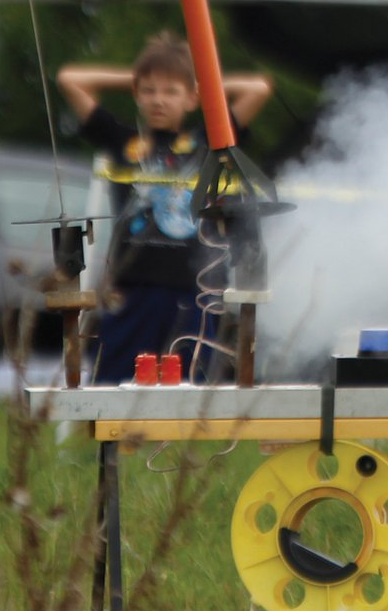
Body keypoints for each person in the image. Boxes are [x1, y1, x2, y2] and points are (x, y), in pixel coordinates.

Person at [57, 32, 273, 384]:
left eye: (171, 91)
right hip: (132, 288)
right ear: (137, 94)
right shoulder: (122, 141)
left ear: (193, 98)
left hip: (195, 290)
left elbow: (258, 88)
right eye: (149, 91)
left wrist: (194, 78)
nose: (159, 100)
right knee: (113, 385)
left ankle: (174, 442)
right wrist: (143, 74)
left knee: (190, 391)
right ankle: (116, 441)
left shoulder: (209, 139)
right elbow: (70, 80)